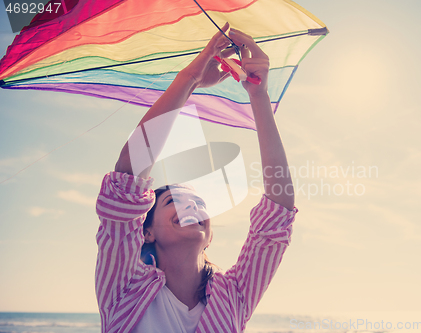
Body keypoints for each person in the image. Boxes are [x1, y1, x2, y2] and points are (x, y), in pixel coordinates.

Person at [95, 24, 297, 333]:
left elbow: (276, 217)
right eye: (172, 199)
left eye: (200, 203)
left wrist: (259, 95)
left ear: (211, 236)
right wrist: (190, 79)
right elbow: (128, 177)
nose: (191, 207)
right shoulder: (123, 289)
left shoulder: (233, 296)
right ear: (145, 232)